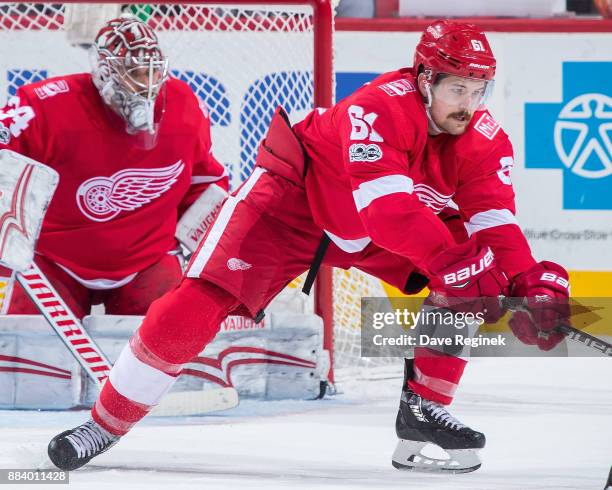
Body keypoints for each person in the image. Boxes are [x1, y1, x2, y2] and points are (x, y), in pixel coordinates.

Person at [47, 20, 570, 473]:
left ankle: (423, 414)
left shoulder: (484, 136)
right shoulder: (377, 108)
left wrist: (527, 281)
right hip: (290, 205)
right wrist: (455, 263)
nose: (469, 105)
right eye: (458, 89)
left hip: (372, 227)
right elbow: (388, 211)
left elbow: (494, 219)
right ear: (424, 80)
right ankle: (105, 424)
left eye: (479, 91)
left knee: (475, 275)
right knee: (198, 302)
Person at [0, 17, 228, 318]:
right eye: (134, 74)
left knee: (170, 350)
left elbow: (204, 184)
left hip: (148, 258)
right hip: (54, 259)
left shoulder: (184, 106)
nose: (144, 86)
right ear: (104, 71)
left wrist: (212, 256)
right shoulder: (41, 106)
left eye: (151, 72)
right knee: (36, 356)